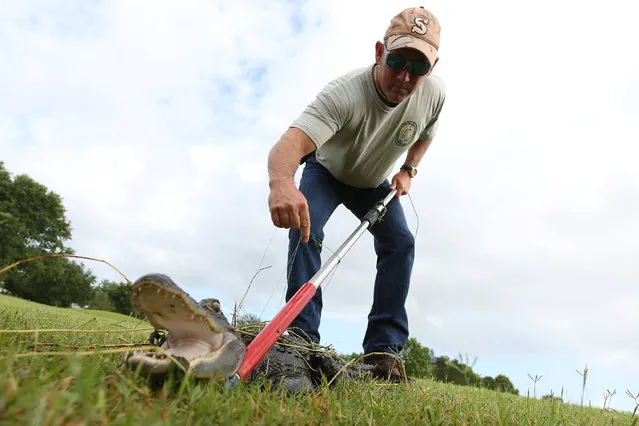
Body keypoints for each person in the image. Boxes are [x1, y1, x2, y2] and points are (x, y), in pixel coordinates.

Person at [266, 6, 446, 382]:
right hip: (327, 171)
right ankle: (300, 341)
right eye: (397, 60)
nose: (405, 75)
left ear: (432, 68)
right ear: (380, 52)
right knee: (306, 228)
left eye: (419, 67)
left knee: (400, 242)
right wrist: (282, 183)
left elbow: (426, 133)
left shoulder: (433, 94)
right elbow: (290, 144)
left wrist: (408, 170)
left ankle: (383, 352)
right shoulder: (344, 94)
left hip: (373, 182)